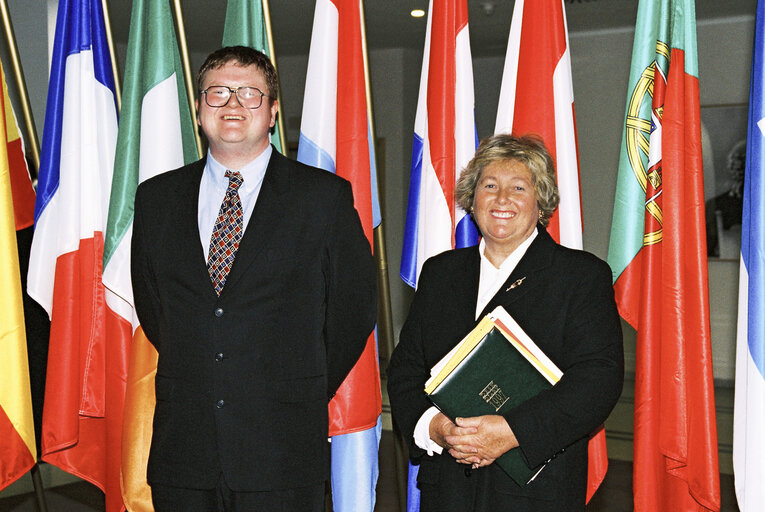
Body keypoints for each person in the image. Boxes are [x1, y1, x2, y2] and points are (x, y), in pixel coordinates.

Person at [130, 46, 376, 511]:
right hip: (184, 453)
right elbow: (155, 308)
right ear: (198, 109)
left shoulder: (322, 198)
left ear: (273, 112)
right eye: (218, 93)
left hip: (281, 449)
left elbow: (353, 311)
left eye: (249, 94)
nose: (233, 105)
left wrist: (293, 384)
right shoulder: (156, 200)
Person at [387, 134, 623, 511]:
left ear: (540, 201)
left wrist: (511, 432)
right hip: (447, 487)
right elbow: (405, 370)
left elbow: (598, 380)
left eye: (518, 187)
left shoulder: (580, 276)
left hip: (536, 491)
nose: (501, 200)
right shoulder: (440, 273)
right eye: (490, 186)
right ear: (472, 196)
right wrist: (437, 427)